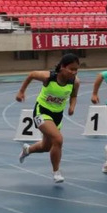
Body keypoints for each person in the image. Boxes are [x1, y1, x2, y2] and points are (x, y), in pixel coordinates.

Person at [16, 53, 81, 183]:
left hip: (57, 115)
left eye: (76, 70)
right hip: (42, 112)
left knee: (46, 147)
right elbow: (32, 74)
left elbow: (74, 96)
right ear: (62, 67)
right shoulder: (49, 77)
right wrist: (21, 91)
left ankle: (27, 150)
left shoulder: (75, 82)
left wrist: (72, 106)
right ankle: (56, 172)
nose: (74, 72)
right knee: (58, 139)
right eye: (71, 69)